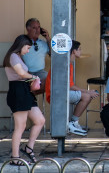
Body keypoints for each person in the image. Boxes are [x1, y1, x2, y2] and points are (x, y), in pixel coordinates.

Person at [3, 35, 45, 165]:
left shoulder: (18, 57)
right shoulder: (13, 56)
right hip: (18, 92)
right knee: (20, 126)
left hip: (25, 91)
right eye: (27, 48)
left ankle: (29, 148)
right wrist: (34, 77)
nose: (28, 51)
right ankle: (15, 158)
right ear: (21, 45)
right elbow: (21, 73)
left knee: (40, 120)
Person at [45, 40, 99, 136]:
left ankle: (73, 122)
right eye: (79, 49)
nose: (81, 51)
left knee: (87, 96)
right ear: (74, 51)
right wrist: (87, 91)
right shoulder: (65, 64)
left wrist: (87, 92)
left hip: (61, 92)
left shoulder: (68, 63)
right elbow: (70, 85)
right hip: (56, 94)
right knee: (86, 96)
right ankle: (73, 123)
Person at [22, 18, 51, 94]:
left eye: (38, 27)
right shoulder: (22, 41)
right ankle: (31, 96)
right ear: (28, 29)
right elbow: (16, 55)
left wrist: (48, 38)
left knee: (50, 81)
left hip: (39, 72)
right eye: (34, 28)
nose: (37, 30)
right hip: (25, 72)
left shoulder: (43, 43)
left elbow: (52, 54)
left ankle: (31, 95)